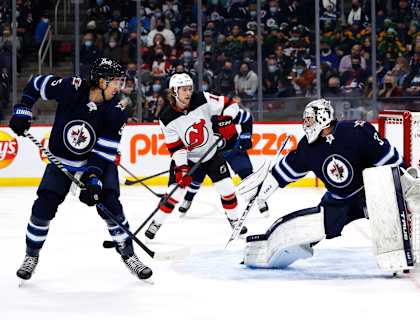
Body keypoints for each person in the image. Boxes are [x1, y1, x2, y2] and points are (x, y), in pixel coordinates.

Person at [9, 58, 152, 281]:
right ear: (102, 82)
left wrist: (93, 178)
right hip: (61, 161)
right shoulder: (71, 88)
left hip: (94, 163)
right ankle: (31, 255)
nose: (119, 87)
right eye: (115, 82)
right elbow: (36, 83)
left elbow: (103, 152)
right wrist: (24, 108)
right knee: (42, 208)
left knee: (111, 207)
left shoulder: (117, 109)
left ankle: (128, 255)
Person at [239, 98, 409, 269]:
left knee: (388, 212)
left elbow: (391, 161)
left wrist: (407, 181)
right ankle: (266, 253)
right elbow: (284, 172)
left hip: (369, 193)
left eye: (309, 119)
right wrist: (263, 190)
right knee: (310, 226)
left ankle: (396, 256)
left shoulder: (357, 131)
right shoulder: (307, 147)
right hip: (337, 201)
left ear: (323, 118)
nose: (306, 124)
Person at [144, 73, 247, 240]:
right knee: (175, 193)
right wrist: (182, 169)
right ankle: (156, 222)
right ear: (174, 91)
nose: (188, 93)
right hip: (188, 158)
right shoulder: (166, 118)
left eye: (190, 88)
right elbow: (176, 147)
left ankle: (234, 219)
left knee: (227, 188)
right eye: (184, 89)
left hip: (211, 154)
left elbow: (231, 105)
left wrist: (226, 120)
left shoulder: (203, 99)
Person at [178, 97, 269, 217]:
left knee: (247, 174)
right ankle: (188, 198)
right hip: (211, 155)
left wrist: (246, 136)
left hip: (233, 149)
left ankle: (260, 199)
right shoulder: (198, 118)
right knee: (197, 177)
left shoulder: (227, 112)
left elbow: (246, 118)